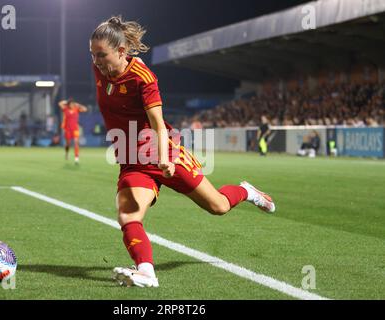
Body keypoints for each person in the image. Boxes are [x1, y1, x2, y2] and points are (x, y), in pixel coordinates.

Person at [90, 16, 276, 288]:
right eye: (92, 54)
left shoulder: (144, 79)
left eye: (101, 55)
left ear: (121, 51)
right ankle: (146, 272)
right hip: (132, 162)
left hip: (166, 154)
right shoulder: (101, 68)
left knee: (218, 207)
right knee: (128, 216)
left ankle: (247, 192)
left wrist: (164, 159)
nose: (96, 61)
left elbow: (157, 124)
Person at [58, 98, 88, 164]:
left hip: (75, 129)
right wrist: (66, 102)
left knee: (76, 142)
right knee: (68, 144)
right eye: (70, 104)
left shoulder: (76, 109)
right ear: (68, 104)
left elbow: (85, 109)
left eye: (72, 104)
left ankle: (76, 158)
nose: (72, 105)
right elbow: (60, 103)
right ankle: (67, 153)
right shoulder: (65, 109)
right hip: (67, 129)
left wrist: (78, 104)